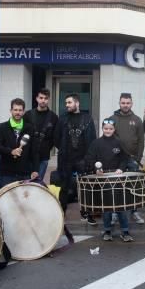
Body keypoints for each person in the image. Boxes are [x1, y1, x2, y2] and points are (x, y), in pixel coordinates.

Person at [85, 118, 132, 242]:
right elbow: (89, 159)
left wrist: (121, 169)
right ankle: (107, 231)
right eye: (105, 128)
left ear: (114, 129)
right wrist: (96, 170)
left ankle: (125, 231)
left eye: (110, 129)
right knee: (107, 208)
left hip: (117, 178)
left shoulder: (119, 142)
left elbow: (124, 158)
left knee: (121, 207)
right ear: (102, 128)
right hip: (103, 179)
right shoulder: (96, 143)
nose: (108, 131)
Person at [54, 93, 97, 225]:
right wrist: (63, 149)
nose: (67, 105)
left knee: (86, 188)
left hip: (83, 159)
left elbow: (92, 139)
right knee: (63, 187)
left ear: (77, 103)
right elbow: (56, 138)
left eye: (69, 102)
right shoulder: (62, 119)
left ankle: (87, 213)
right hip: (65, 159)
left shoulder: (87, 118)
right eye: (66, 103)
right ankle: (62, 213)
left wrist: (89, 158)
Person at [111, 92, 145, 224]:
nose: (125, 105)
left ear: (132, 104)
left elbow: (141, 140)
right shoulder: (112, 118)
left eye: (128, 103)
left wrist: (138, 158)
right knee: (116, 187)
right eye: (123, 103)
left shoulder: (137, 120)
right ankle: (114, 212)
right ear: (119, 103)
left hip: (132, 160)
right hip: (116, 160)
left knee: (133, 187)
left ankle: (134, 211)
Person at [0, 98, 39, 189]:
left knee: (24, 201)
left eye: (20, 110)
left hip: (25, 172)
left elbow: (35, 151)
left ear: (23, 111)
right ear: (11, 110)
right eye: (15, 110)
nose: (17, 112)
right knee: (6, 201)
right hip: (6, 173)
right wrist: (11, 151)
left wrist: (35, 170)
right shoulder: (2, 127)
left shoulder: (30, 128)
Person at [24, 88, 58, 183]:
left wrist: (47, 148)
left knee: (37, 185)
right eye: (41, 98)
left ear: (49, 99)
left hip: (43, 156)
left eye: (46, 98)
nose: (43, 100)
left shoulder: (53, 117)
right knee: (26, 184)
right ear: (36, 98)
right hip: (28, 157)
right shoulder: (28, 115)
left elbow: (55, 137)